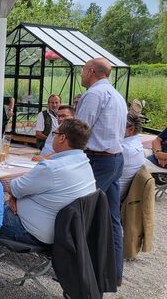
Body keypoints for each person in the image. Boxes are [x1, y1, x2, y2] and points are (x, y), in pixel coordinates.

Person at [0, 119, 96, 245]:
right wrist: (15, 196)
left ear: (62, 138)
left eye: (54, 134)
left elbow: (11, 187)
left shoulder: (51, 168)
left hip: (32, 232)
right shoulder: (84, 163)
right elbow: (20, 189)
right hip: (65, 232)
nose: (52, 138)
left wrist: (7, 189)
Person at [75, 57, 127, 284]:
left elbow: (79, 132)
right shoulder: (117, 95)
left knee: (78, 214)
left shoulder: (94, 94)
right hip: (115, 159)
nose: (81, 75)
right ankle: (114, 273)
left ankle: (80, 273)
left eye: (83, 71)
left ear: (92, 71)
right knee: (112, 218)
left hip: (98, 161)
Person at [119, 113, 146, 197]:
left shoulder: (125, 149)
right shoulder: (135, 140)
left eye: (118, 125)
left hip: (109, 199)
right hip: (116, 192)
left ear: (131, 130)